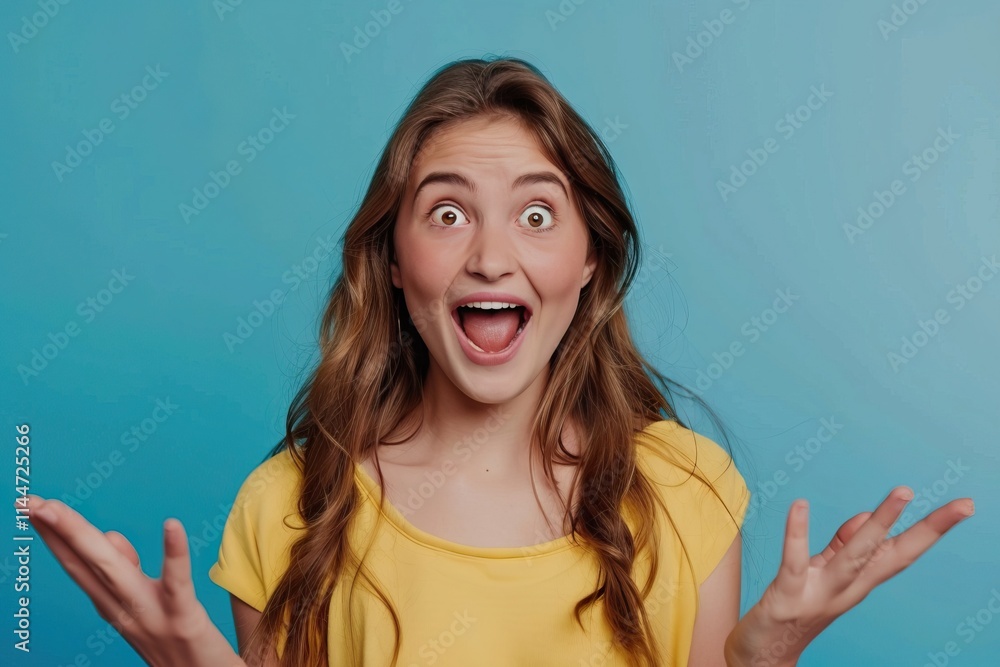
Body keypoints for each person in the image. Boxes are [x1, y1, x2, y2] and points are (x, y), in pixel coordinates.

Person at [25, 56, 974, 667]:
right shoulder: (288, 508)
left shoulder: (686, 491)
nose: (490, 255)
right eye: (446, 213)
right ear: (394, 262)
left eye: (535, 214)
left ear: (589, 258)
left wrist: (756, 661)